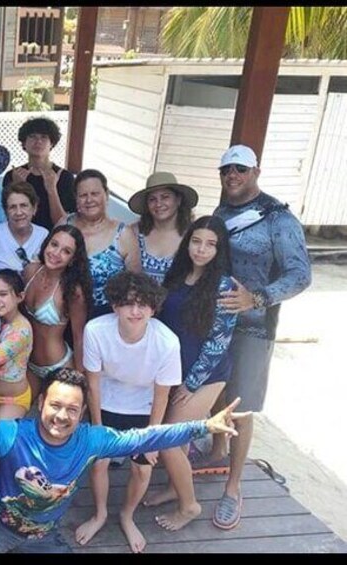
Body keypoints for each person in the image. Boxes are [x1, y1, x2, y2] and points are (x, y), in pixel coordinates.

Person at [0, 368, 249, 554]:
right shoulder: (12, 434)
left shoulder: (92, 439)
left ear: (82, 414)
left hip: (44, 535)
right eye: (55, 405)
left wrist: (202, 425)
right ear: (40, 405)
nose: (62, 416)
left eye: (72, 409)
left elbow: (146, 436)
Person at [207, 144, 312, 530]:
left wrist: (258, 297)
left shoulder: (278, 219)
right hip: (215, 322)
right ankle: (217, 451)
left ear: (255, 171)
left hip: (253, 325)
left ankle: (234, 487)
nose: (231, 175)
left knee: (241, 404)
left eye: (239, 169)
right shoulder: (222, 212)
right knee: (216, 391)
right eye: (225, 170)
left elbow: (300, 275)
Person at [141, 216, 237, 532]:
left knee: (168, 438)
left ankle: (189, 505)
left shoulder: (225, 286)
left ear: (219, 249)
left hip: (205, 376)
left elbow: (218, 344)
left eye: (211, 244)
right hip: (174, 371)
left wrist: (191, 384)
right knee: (176, 440)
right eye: (196, 241)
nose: (201, 249)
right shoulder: (178, 274)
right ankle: (174, 487)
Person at [76, 271, 181, 553]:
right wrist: (97, 427)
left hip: (144, 407)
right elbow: (93, 383)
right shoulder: (96, 330)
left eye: (143, 304)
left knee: (142, 468)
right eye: (127, 303)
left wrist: (151, 437)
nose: (135, 311)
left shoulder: (167, 342)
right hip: (107, 401)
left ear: (153, 307)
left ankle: (127, 514)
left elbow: (162, 394)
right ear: (115, 306)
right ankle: (100, 513)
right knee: (98, 461)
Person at [22, 225, 92, 400]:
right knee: (20, 418)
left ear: (73, 259)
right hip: (29, 363)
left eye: (66, 251)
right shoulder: (31, 271)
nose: (56, 253)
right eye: (54, 244)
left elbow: (78, 336)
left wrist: (79, 379)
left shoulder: (73, 291)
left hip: (59, 366)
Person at [61, 169, 141, 318]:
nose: (89, 200)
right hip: (65, 316)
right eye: (83, 195)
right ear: (76, 199)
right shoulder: (65, 225)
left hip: (108, 318)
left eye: (95, 194)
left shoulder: (123, 234)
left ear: (106, 195)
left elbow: (135, 283)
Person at [0, 269, 33, 487]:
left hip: (11, 400)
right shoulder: (0, 320)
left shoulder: (20, 330)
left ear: (19, 296)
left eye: (3, 294)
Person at [2, 116, 76, 229]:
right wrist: (18, 186)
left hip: (54, 239)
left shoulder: (64, 177)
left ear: (52, 143)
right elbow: (12, 218)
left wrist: (52, 190)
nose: (38, 141)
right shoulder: (13, 175)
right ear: (24, 143)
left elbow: (62, 223)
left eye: (44, 137)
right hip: (22, 236)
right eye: (32, 137)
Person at [127, 171, 198, 283]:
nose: (158, 204)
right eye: (152, 199)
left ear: (178, 200)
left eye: (165, 197)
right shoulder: (132, 233)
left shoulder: (193, 236)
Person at [0, 181, 49, 277]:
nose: (19, 212)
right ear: (6, 212)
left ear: (34, 208)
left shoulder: (43, 235)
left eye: (23, 206)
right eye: (12, 207)